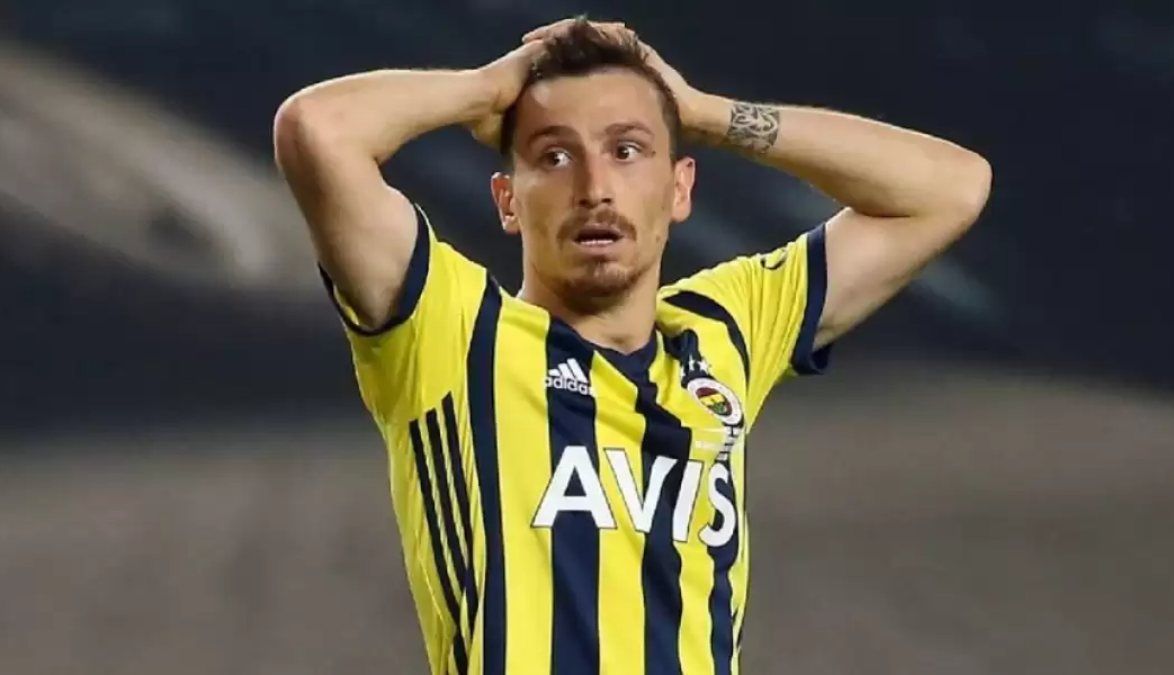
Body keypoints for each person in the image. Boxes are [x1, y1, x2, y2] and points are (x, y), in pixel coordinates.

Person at [272, 16, 990, 675]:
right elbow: (316, 130)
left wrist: (703, 114)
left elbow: (951, 188)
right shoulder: (453, 334)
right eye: (555, 156)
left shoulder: (724, 330)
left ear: (679, 189)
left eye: (627, 150)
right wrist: (487, 88)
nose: (595, 188)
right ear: (508, 200)